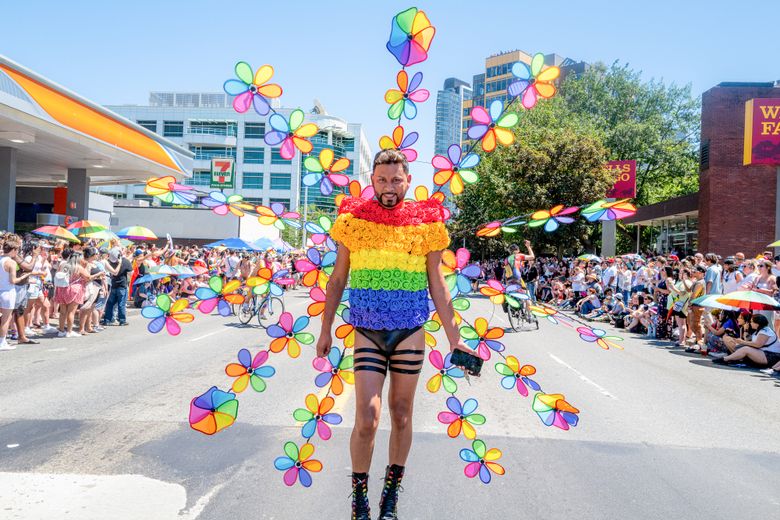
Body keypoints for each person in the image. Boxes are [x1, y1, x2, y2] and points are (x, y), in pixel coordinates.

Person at [318, 149, 464, 520]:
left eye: (396, 180)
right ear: (372, 181)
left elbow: (438, 286)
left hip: (410, 330)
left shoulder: (426, 222)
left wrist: (455, 338)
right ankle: (359, 498)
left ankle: (391, 494)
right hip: (366, 330)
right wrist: (326, 328)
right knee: (367, 418)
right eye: (381, 180)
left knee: (401, 415)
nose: (388, 187)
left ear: (408, 181)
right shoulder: (353, 220)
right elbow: (337, 280)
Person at [1, 235, 35, 350]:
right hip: (10, 290)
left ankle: (16, 336)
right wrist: (24, 276)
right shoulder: (11, 260)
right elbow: (15, 278)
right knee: (7, 317)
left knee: (9, 315)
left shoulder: (3, 258)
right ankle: (4, 341)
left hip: (5, 289)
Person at [714, 314, 780, 368]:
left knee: (745, 349)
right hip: (765, 353)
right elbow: (748, 340)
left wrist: (742, 342)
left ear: (757, 323)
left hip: (771, 356)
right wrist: (745, 330)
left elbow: (757, 345)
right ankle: (731, 359)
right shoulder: (760, 330)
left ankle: (725, 359)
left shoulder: (765, 331)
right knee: (741, 346)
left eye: (752, 321)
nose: (750, 323)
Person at [102, 247, 132, 326]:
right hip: (122, 285)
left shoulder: (109, 262)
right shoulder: (125, 261)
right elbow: (130, 274)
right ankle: (122, 320)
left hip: (113, 285)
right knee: (121, 303)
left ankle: (107, 319)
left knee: (110, 303)